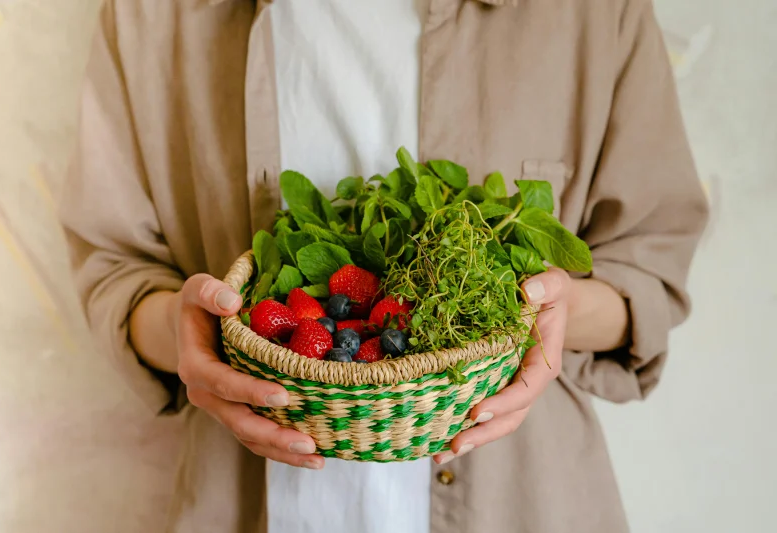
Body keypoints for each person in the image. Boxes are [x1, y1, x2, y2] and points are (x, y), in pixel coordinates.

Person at [59, 0, 708, 532]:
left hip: (522, 499)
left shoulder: (592, 13)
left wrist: (552, 308)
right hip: (242, 499)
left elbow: (647, 270)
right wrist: (183, 329)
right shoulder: (154, 14)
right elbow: (116, 267)